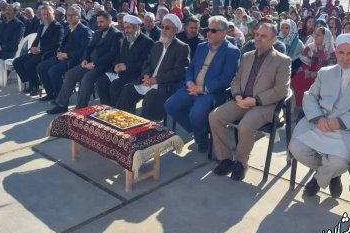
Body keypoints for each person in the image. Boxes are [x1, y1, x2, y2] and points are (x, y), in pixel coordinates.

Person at [289, 34, 350, 198]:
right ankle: (330, 175)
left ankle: (318, 179)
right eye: (341, 53)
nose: (345, 58)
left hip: (348, 131)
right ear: (336, 52)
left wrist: (341, 122)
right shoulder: (325, 73)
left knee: (338, 163)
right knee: (296, 148)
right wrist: (318, 118)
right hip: (319, 125)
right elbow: (310, 96)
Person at [209, 23, 291, 181]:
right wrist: (237, 95)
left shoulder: (282, 61)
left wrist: (256, 100)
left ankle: (241, 163)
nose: (258, 38)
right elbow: (237, 79)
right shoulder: (247, 56)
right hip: (241, 101)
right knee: (214, 116)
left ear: (274, 40)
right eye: (258, 34)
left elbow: (282, 90)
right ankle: (225, 159)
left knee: (245, 125)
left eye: (264, 36)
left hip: (265, 106)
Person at [165, 16, 240, 151]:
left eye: (213, 31)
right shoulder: (201, 46)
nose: (208, 33)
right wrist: (189, 82)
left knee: (196, 114)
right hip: (191, 87)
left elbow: (226, 78)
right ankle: (201, 132)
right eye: (207, 30)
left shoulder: (232, 52)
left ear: (224, 33)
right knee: (170, 105)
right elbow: (191, 68)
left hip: (211, 92)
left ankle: (201, 138)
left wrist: (203, 88)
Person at [115, 14, 190, 121]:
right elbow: (147, 63)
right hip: (147, 81)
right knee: (127, 90)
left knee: (150, 97)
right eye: (162, 26)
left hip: (163, 85)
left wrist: (156, 80)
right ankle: (121, 122)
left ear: (175, 30)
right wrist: (146, 75)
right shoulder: (157, 45)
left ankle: (145, 130)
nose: (163, 30)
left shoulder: (182, 47)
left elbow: (180, 72)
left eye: (167, 28)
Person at [47, 11, 122, 114]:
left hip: (104, 66)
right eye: (98, 22)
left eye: (102, 22)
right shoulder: (98, 32)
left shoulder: (116, 34)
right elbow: (89, 48)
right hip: (89, 63)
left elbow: (112, 55)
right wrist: (85, 59)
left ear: (109, 21)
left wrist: (95, 63)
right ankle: (62, 105)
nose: (99, 24)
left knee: (87, 78)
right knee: (70, 74)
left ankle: (80, 109)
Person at [95, 14, 154, 107]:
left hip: (135, 75)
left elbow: (145, 64)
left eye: (129, 28)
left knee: (115, 86)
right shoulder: (126, 39)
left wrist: (127, 67)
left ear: (137, 27)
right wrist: (116, 65)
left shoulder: (148, 42)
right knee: (101, 82)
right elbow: (119, 56)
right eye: (125, 28)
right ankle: (107, 109)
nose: (126, 31)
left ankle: (117, 113)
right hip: (121, 72)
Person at [37, 5, 91, 102]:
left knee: (53, 71)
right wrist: (59, 52)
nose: (69, 17)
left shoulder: (84, 30)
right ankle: (51, 93)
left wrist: (67, 55)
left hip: (74, 60)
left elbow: (85, 50)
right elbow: (62, 44)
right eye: (67, 15)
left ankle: (59, 97)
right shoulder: (67, 28)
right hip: (63, 57)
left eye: (72, 15)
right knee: (41, 67)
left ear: (78, 16)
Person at [13, 5, 63, 95]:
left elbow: (56, 44)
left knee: (29, 64)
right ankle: (33, 81)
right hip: (37, 52)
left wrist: (40, 50)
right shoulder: (42, 26)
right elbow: (37, 39)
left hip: (48, 53)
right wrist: (32, 47)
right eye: (44, 14)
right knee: (17, 62)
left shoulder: (58, 27)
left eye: (48, 14)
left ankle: (34, 86)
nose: (46, 16)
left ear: (53, 14)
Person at [291, 27, 335, 107]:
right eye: (315, 35)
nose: (315, 37)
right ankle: (300, 106)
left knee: (313, 85)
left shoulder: (331, 52)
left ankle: (311, 107)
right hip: (309, 72)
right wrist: (306, 70)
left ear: (325, 37)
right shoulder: (310, 47)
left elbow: (330, 68)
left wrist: (316, 73)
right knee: (296, 80)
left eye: (318, 35)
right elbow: (305, 61)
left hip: (322, 75)